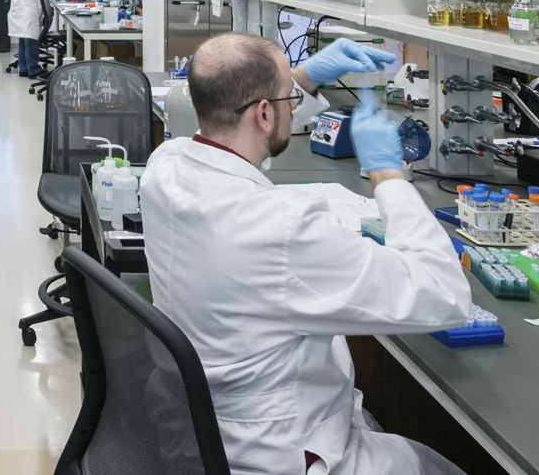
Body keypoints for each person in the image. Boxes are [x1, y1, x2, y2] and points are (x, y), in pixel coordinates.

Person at [141, 33, 470, 475]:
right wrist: (389, 176)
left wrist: (302, 78)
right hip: (287, 453)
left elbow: (243, 149)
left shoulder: (166, 166)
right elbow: (443, 295)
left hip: (208, 434)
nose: (293, 102)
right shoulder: (285, 231)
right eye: (287, 98)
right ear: (262, 112)